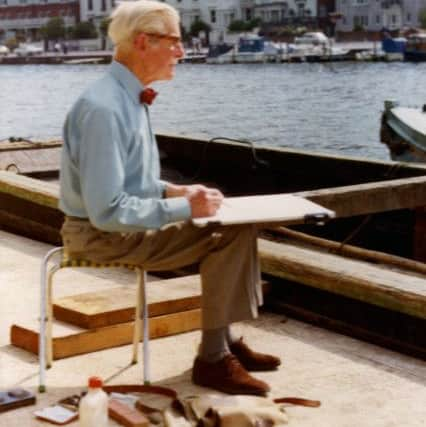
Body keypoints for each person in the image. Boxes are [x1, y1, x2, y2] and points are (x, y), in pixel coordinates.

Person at [59, 0, 280, 396]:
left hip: (112, 227)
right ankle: (213, 360)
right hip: (98, 234)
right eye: (175, 42)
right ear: (144, 42)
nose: (182, 51)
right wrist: (185, 208)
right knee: (226, 234)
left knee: (235, 226)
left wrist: (174, 191)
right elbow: (108, 211)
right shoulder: (105, 109)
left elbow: (130, 181)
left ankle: (223, 342)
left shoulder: (124, 97)